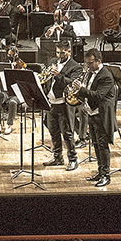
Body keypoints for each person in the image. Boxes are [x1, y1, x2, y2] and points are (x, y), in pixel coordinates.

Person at [80, 48, 118, 186]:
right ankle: (100, 171)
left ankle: (106, 176)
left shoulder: (106, 76)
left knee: (103, 146)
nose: (88, 66)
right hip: (92, 113)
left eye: (90, 63)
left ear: (98, 61)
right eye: (86, 63)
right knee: (96, 144)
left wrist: (81, 90)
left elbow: (98, 96)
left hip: (101, 115)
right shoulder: (91, 73)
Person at [44, 42, 80, 171]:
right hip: (51, 103)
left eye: (62, 52)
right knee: (53, 131)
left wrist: (58, 75)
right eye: (58, 52)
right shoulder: (53, 62)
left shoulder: (75, 67)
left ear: (69, 52)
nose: (59, 55)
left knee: (67, 133)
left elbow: (72, 83)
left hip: (64, 104)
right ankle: (57, 157)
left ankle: (73, 159)